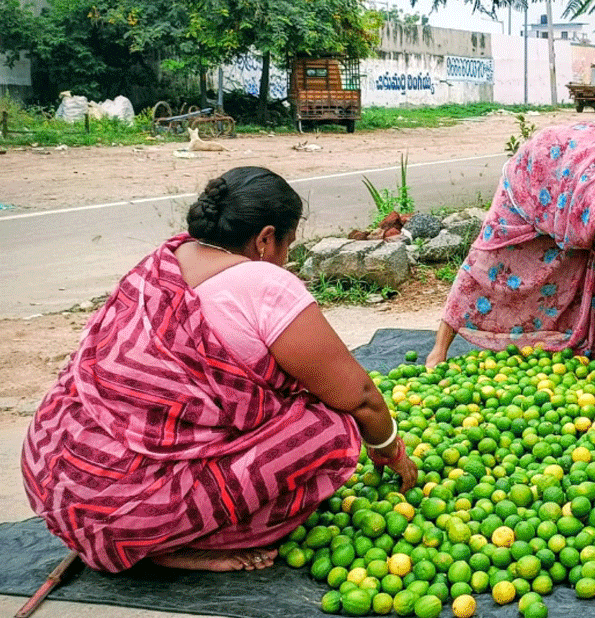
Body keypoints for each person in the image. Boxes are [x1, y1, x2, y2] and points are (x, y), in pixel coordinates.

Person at [21, 167, 416, 574]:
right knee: (333, 427)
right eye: (288, 245)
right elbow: (361, 397)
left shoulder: (163, 263)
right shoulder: (263, 282)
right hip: (128, 510)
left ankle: (162, 537)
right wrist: (391, 451)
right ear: (265, 239)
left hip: (63, 479)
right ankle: (189, 538)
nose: (286, 258)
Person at [426, 121, 595, 392]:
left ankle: (586, 349)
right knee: (490, 264)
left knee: (585, 268)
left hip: (582, 167)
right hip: (539, 174)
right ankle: (437, 352)